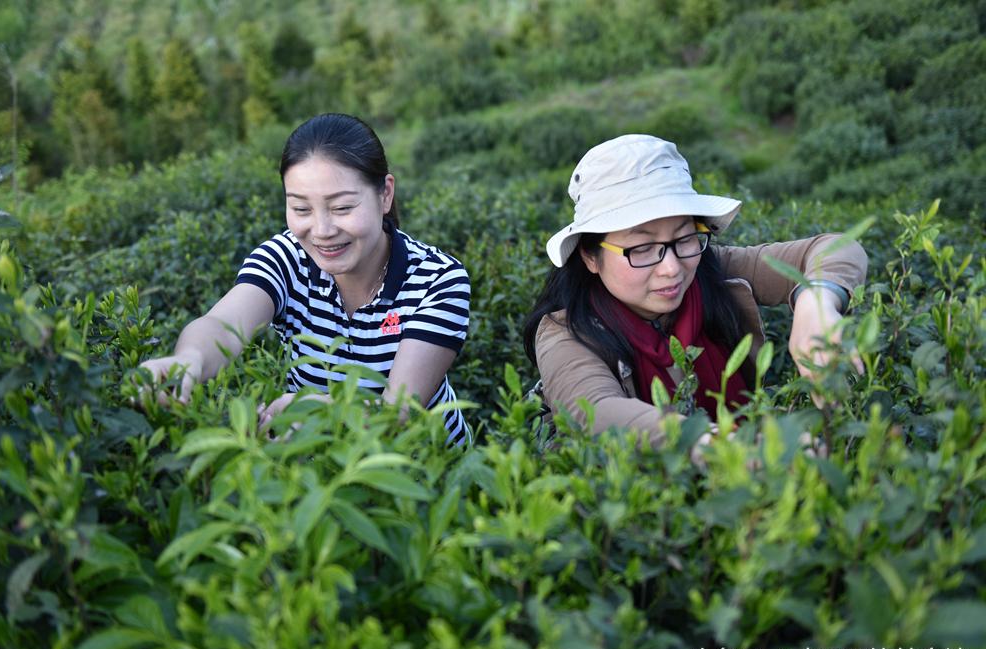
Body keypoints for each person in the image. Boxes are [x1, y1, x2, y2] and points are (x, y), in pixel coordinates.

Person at [138, 113, 471, 444]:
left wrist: (322, 413)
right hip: (317, 464)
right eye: (301, 209)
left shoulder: (439, 280)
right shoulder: (285, 258)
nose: (322, 231)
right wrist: (189, 360)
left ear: (385, 194)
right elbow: (222, 325)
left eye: (342, 208)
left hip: (430, 466)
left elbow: (399, 412)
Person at [523, 134, 867, 452]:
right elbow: (596, 413)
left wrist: (816, 305)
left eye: (685, 238)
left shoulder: (712, 269)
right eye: (642, 248)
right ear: (589, 256)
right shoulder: (563, 332)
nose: (672, 267)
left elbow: (836, 248)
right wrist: (728, 447)